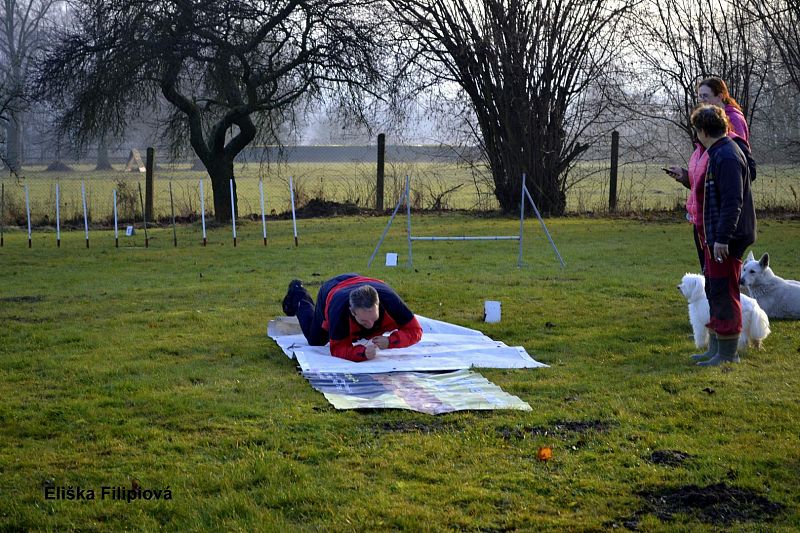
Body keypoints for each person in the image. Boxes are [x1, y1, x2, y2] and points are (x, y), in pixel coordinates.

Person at [688, 104, 756, 366]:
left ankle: (728, 354)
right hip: (715, 235)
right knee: (715, 290)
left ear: (704, 130)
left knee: (725, 292)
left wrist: (722, 238)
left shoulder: (726, 156)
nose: (696, 136)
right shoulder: (719, 152)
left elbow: (732, 201)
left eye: (697, 131)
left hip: (726, 238)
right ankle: (716, 347)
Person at [666, 77, 750, 272]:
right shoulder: (705, 143)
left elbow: (734, 178)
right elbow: (705, 177)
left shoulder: (730, 132)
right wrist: (687, 176)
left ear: (720, 96)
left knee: (720, 281)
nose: (702, 101)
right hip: (702, 217)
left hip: (718, 219)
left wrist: (723, 235)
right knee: (711, 277)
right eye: (700, 97)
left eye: (706, 96)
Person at [281, 273, 423, 362]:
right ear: (352, 312)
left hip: (361, 282)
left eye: (374, 318)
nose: (371, 325)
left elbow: (415, 330)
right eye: (363, 321)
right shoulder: (339, 310)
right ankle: (299, 296)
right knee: (315, 340)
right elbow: (338, 349)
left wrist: (390, 341)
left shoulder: (391, 301)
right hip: (332, 289)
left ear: (379, 305)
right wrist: (362, 353)